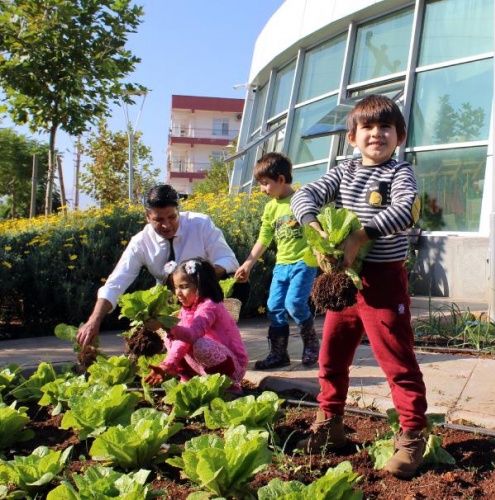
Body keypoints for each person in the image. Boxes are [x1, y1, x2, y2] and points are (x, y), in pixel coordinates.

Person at [290, 94, 428, 479]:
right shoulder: (343, 172)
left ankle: (413, 433)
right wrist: (313, 226)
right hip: (344, 284)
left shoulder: (400, 174)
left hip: (383, 281)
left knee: (396, 361)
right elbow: (304, 195)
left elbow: (404, 210)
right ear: (352, 137)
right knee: (331, 358)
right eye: (367, 127)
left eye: (385, 127)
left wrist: (360, 236)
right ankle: (330, 423)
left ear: (398, 136)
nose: (376, 134)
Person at [77, 184, 246, 347]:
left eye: (172, 217)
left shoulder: (201, 224)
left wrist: (198, 284)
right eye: (159, 220)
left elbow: (228, 260)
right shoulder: (140, 242)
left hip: (206, 298)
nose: (167, 225)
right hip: (170, 301)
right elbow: (116, 283)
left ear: (178, 211)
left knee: (238, 283)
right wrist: (94, 320)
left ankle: (219, 338)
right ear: (147, 217)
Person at [234, 152, 319, 369]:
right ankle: (279, 353)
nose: (261, 189)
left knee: (294, 303)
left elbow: (314, 228)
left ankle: (311, 343)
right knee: (274, 306)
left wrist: (321, 251)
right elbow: (264, 237)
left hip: (304, 262)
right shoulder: (271, 207)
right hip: (282, 265)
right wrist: (248, 263)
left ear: (281, 179)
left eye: (264, 184)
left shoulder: (300, 199)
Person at [145, 257, 248, 394]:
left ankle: (227, 386)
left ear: (200, 286)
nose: (178, 293)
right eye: (176, 287)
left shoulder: (209, 306)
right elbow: (181, 342)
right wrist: (165, 366)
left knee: (200, 344)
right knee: (171, 338)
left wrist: (166, 325)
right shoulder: (185, 310)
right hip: (206, 366)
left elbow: (193, 334)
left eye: (184, 287)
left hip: (234, 368)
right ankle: (189, 379)